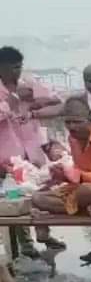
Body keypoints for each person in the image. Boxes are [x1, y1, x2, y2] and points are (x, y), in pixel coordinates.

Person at [1, 46, 64, 256]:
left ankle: (42, 232)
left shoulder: (26, 85)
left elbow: (57, 101)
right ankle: (23, 246)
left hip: (30, 150)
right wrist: (9, 104)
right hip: (5, 156)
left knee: (39, 190)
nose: (16, 72)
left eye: (19, 67)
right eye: (12, 68)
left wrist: (34, 102)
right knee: (13, 200)